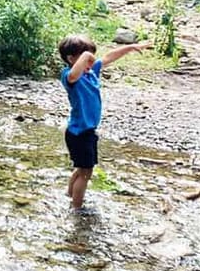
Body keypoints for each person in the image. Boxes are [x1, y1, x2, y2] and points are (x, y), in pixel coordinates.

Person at [58, 34, 151, 210]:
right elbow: (72, 76)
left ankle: (70, 194)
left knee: (82, 169)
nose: (91, 62)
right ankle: (76, 208)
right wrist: (86, 56)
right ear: (71, 59)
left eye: (92, 57)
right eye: (86, 58)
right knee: (86, 172)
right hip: (78, 133)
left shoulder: (91, 72)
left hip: (87, 131)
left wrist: (130, 47)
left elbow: (109, 57)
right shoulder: (69, 77)